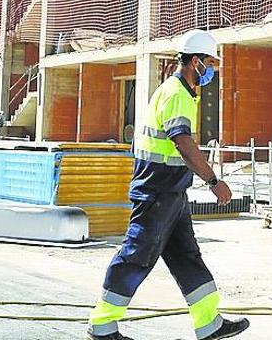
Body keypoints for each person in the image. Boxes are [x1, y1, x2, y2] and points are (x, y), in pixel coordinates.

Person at [88, 29, 249, 340]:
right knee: (136, 254)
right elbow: (183, 142)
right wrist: (214, 180)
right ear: (196, 63)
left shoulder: (182, 93)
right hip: (156, 191)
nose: (212, 70)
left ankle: (209, 322)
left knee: (187, 256)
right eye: (210, 63)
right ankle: (102, 324)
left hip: (171, 193)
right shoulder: (176, 94)